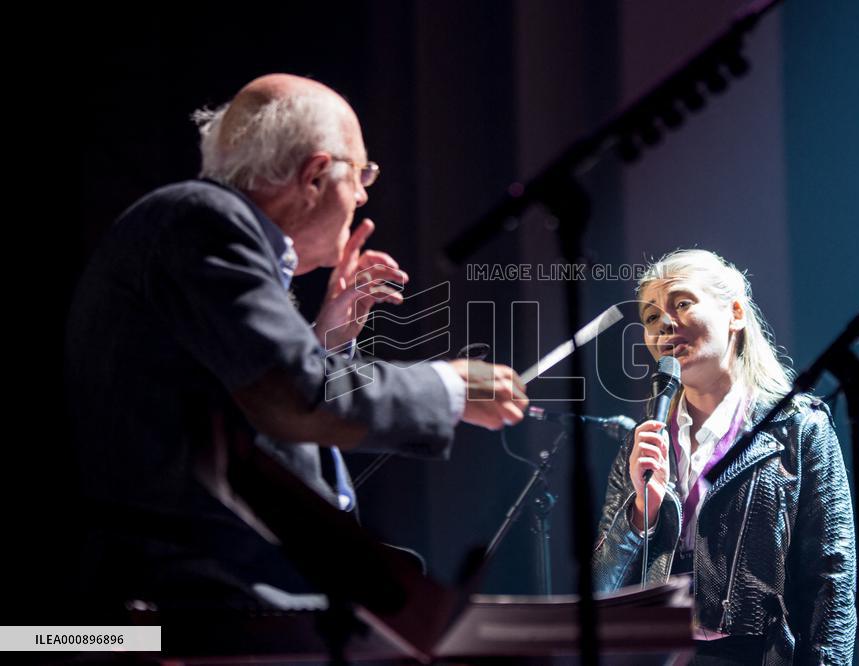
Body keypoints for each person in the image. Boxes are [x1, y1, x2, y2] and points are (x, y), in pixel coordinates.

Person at [64, 73, 528, 612]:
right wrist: (448, 387)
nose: (360, 193)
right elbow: (293, 399)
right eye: (360, 173)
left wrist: (326, 341)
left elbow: (257, 414)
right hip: (187, 606)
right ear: (314, 176)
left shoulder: (201, 231)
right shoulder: (204, 220)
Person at [593, 249, 856, 665]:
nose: (664, 324)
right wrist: (640, 513)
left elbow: (832, 581)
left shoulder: (797, 426)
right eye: (650, 316)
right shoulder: (642, 442)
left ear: (734, 312)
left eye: (681, 303)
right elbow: (601, 589)